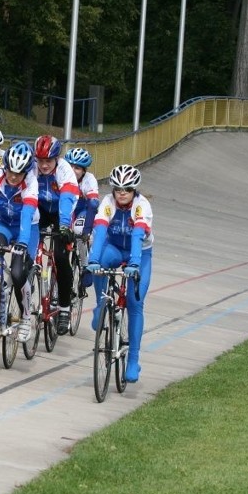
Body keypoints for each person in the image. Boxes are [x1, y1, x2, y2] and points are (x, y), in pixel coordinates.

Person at [86, 164, 153, 383]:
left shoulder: (142, 206)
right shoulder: (107, 203)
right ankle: (100, 304)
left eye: (127, 189)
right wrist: (93, 260)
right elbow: (100, 230)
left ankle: (133, 359)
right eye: (118, 189)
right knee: (101, 263)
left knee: (135, 304)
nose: (122, 193)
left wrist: (133, 264)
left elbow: (137, 236)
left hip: (139, 254)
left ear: (135, 191)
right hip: (113, 247)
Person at [0, 140, 40, 343]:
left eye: (18, 174)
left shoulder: (31, 183)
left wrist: (22, 242)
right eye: (10, 171)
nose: (13, 177)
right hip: (2, 222)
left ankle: (26, 316)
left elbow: (28, 215)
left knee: (19, 273)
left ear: (26, 172)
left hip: (27, 226)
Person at [32, 135, 80, 336]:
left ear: (56, 159)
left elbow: (67, 199)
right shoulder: (32, 168)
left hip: (63, 211)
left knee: (60, 258)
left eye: (48, 161)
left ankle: (64, 308)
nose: (44, 165)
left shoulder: (64, 170)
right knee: (29, 245)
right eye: (41, 161)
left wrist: (63, 226)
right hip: (41, 209)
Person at [64, 147, 100, 293]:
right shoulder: (61, 176)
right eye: (70, 166)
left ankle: (85, 266)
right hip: (68, 209)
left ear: (84, 170)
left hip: (84, 211)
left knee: (79, 231)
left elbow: (93, 205)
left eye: (77, 168)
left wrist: (86, 231)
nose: (72, 170)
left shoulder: (89, 180)